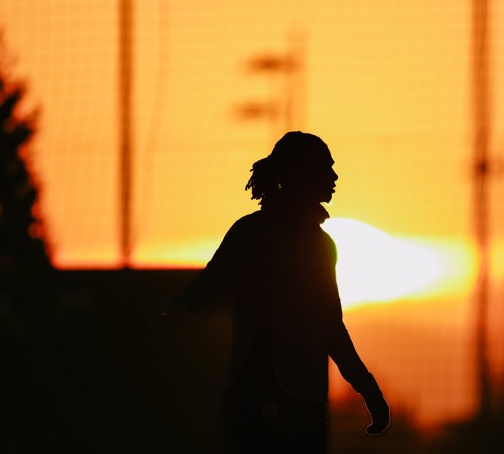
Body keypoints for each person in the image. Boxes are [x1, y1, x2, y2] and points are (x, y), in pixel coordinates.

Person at [153, 131, 390, 453]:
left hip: (305, 400)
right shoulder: (254, 234)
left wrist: (367, 389)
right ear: (301, 174)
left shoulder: (320, 244)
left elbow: (330, 325)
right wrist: (178, 312)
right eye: (326, 167)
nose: (335, 177)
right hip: (261, 394)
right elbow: (209, 286)